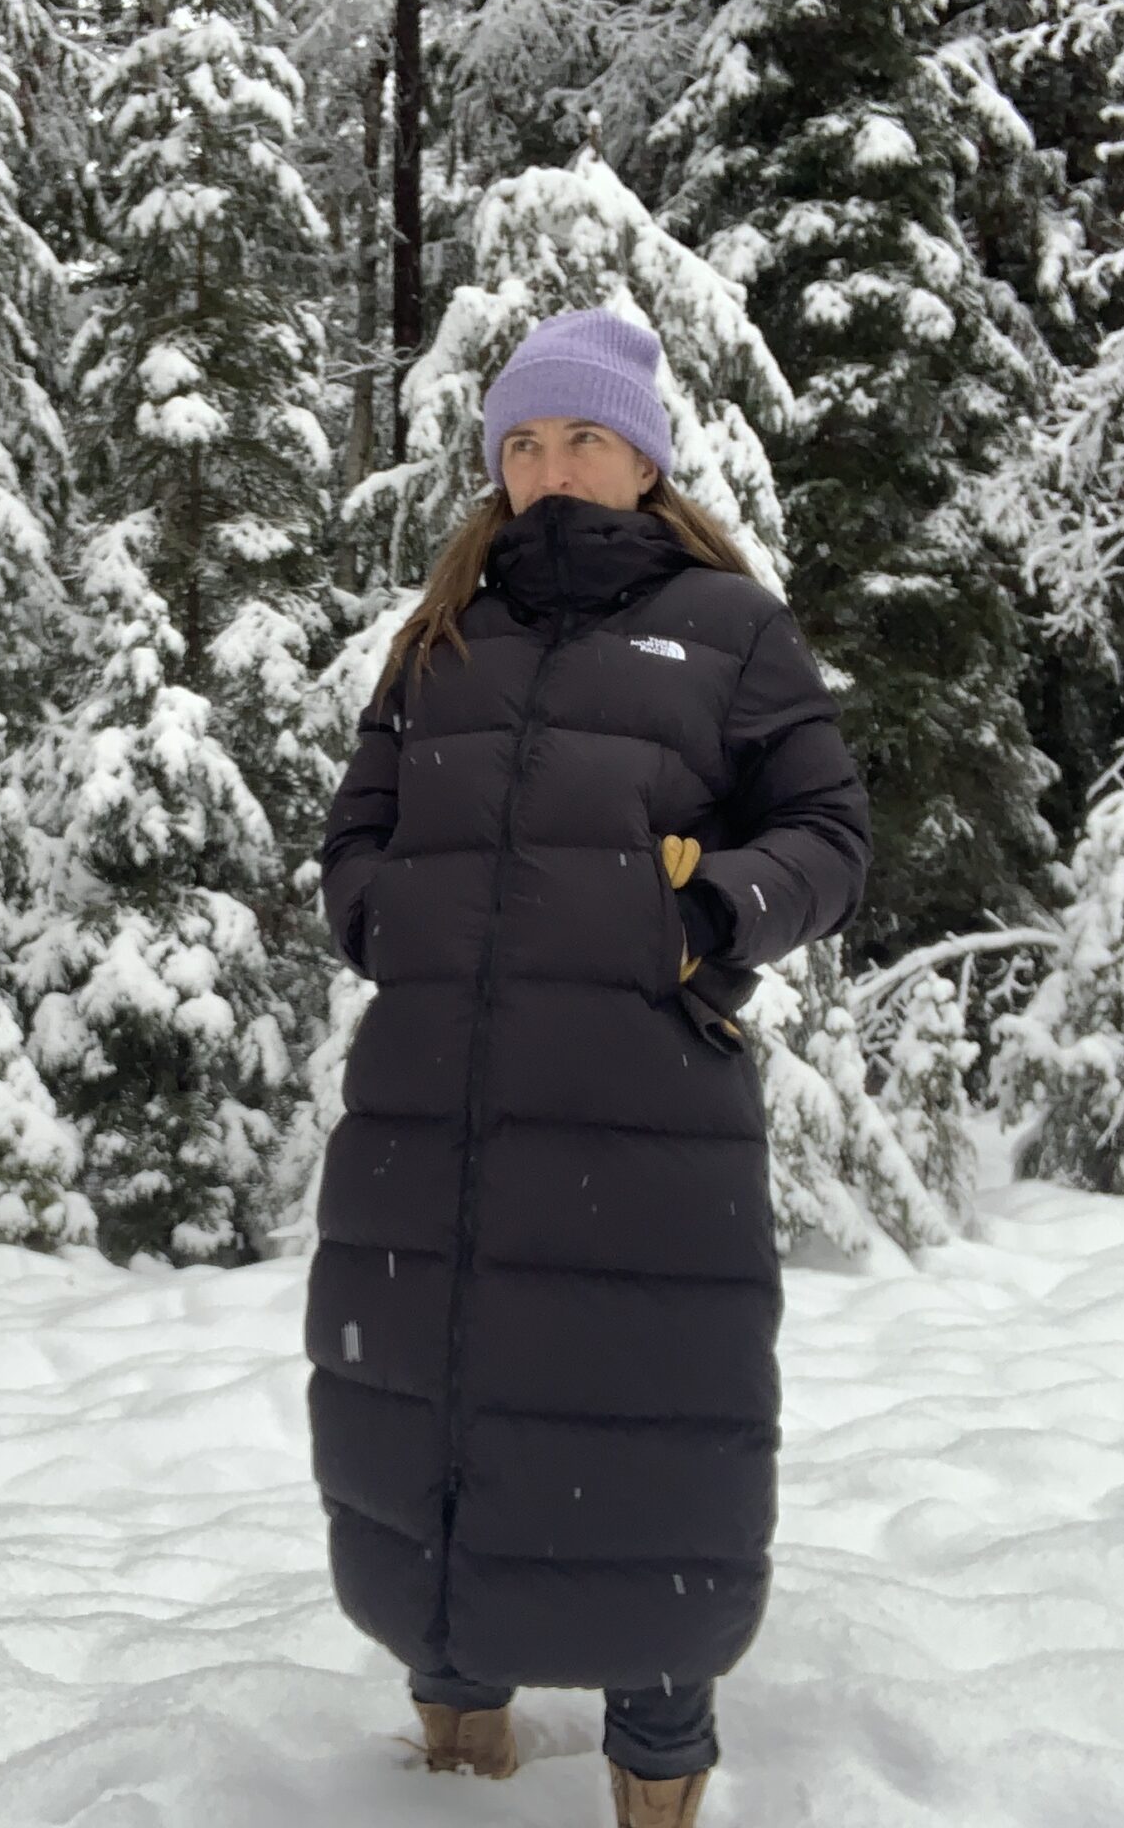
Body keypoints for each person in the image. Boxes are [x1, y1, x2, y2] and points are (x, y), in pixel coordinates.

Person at [304, 308, 872, 1828]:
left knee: (643, 1420)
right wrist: (389, 920)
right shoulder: (442, 632)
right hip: (432, 1111)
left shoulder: (732, 629)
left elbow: (829, 836)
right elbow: (358, 831)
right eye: (527, 444)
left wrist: (706, 917)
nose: (552, 471)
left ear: (645, 462)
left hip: (644, 1112)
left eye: (585, 440)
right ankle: (451, 1752)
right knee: (433, 1413)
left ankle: (658, 1761)